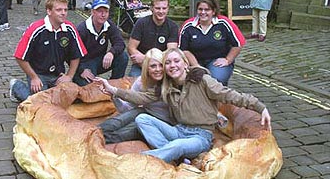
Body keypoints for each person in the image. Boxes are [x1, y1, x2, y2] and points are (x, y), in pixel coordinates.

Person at [95, 48, 272, 164]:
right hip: (178, 130)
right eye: (168, 63)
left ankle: (141, 162)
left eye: (176, 61)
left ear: (185, 63)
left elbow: (230, 95)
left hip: (200, 136)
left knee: (179, 145)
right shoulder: (167, 86)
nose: (172, 65)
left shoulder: (202, 80)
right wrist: (113, 90)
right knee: (142, 118)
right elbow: (140, 97)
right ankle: (178, 160)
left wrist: (260, 107)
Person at [9, 0, 88, 103]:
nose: (63, 13)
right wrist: (34, 77)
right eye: (59, 10)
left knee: (70, 99)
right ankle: (16, 86)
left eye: (65, 9)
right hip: (38, 74)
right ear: (49, 11)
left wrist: (69, 76)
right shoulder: (36, 29)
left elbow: (76, 55)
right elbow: (19, 56)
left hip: (58, 76)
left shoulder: (70, 28)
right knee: (42, 104)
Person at [99, 48, 174, 144]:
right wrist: (114, 97)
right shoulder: (141, 82)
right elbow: (127, 108)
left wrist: (115, 90)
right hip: (145, 111)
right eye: (153, 66)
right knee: (117, 121)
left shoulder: (170, 82)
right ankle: (90, 133)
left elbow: (141, 98)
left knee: (125, 132)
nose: (158, 69)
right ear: (147, 68)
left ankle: (99, 140)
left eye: (161, 65)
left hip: (162, 122)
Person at [178, 0, 245, 86]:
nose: (203, 12)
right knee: (187, 79)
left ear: (213, 11)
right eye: (200, 9)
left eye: (207, 10)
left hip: (216, 60)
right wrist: (196, 66)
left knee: (216, 80)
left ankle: (218, 98)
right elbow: (183, 49)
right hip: (194, 61)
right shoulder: (188, 26)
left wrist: (228, 60)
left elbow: (239, 43)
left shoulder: (224, 23)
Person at [73, 0, 128, 86]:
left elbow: (120, 43)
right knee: (90, 87)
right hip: (85, 62)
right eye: (100, 11)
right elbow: (72, 54)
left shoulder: (109, 25)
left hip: (100, 60)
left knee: (123, 57)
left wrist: (111, 53)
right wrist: (81, 70)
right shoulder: (82, 29)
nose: (103, 15)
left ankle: (114, 85)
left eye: (106, 11)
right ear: (93, 12)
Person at [128, 0, 178, 77]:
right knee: (133, 84)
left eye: (164, 8)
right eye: (158, 8)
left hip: (162, 65)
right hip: (142, 66)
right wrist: (146, 63)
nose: (161, 11)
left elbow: (170, 51)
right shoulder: (141, 23)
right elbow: (131, 47)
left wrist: (147, 59)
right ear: (151, 8)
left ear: (168, 9)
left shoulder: (173, 26)